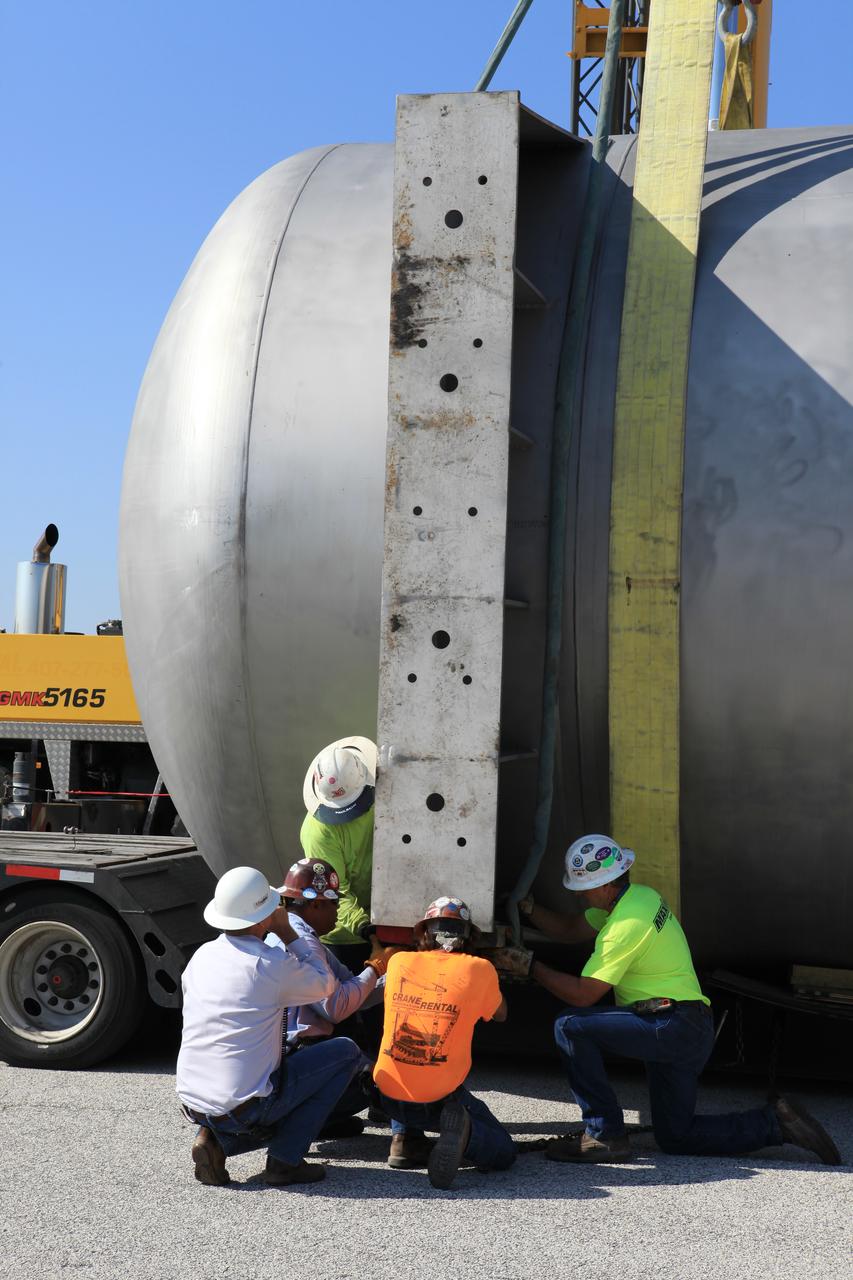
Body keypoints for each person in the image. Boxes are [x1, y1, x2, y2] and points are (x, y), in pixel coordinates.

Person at [512, 834, 841, 1165]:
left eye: (584, 887)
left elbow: (583, 995)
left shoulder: (625, 926)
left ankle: (604, 1135)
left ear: (606, 885)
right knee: (675, 1136)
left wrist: (530, 967)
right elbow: (570, 929)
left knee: (570, 1026)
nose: (581, 895)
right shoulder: (638, 898)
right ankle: (777, 1123)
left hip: (670, 1024)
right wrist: (529, 909)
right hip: (688, 1025)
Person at [175, 865, 363, 1188]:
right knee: (346, 1053)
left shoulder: (201, 957)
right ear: (266, 915)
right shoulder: (268, 964)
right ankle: (285, 1161)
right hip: (244, 1105)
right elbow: (326, 986)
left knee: (252, 1077)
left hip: (194, 1102)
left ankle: (214, 1140)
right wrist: (288, 933)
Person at [373, 895, 516, 1189]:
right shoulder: (479, 969)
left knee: (403, 1052)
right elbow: (500, 1014)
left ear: (424, 932)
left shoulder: (398, 962)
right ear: (468, 937)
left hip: (386, 1094)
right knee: (504, 1150)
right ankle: (464, 1134)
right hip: (437, 1098)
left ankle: (402, 1140)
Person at [266, 856, 400, 1133]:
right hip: (295, 1058)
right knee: (384, 1076)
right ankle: (406, 1138)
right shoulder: (303, 943)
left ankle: (318, 1117)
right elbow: (335, 1007)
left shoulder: (299, 935)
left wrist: (396, 977)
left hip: (277, 1058)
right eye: (334, 903)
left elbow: (352, 989)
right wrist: (376, 968)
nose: (338, 911)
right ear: (316, 903)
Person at [300, 736, 376, 960]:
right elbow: (335, 890)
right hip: (344, 937)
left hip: (386, 917)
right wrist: (368, 931)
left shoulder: (380, 793)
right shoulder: (319, 832)